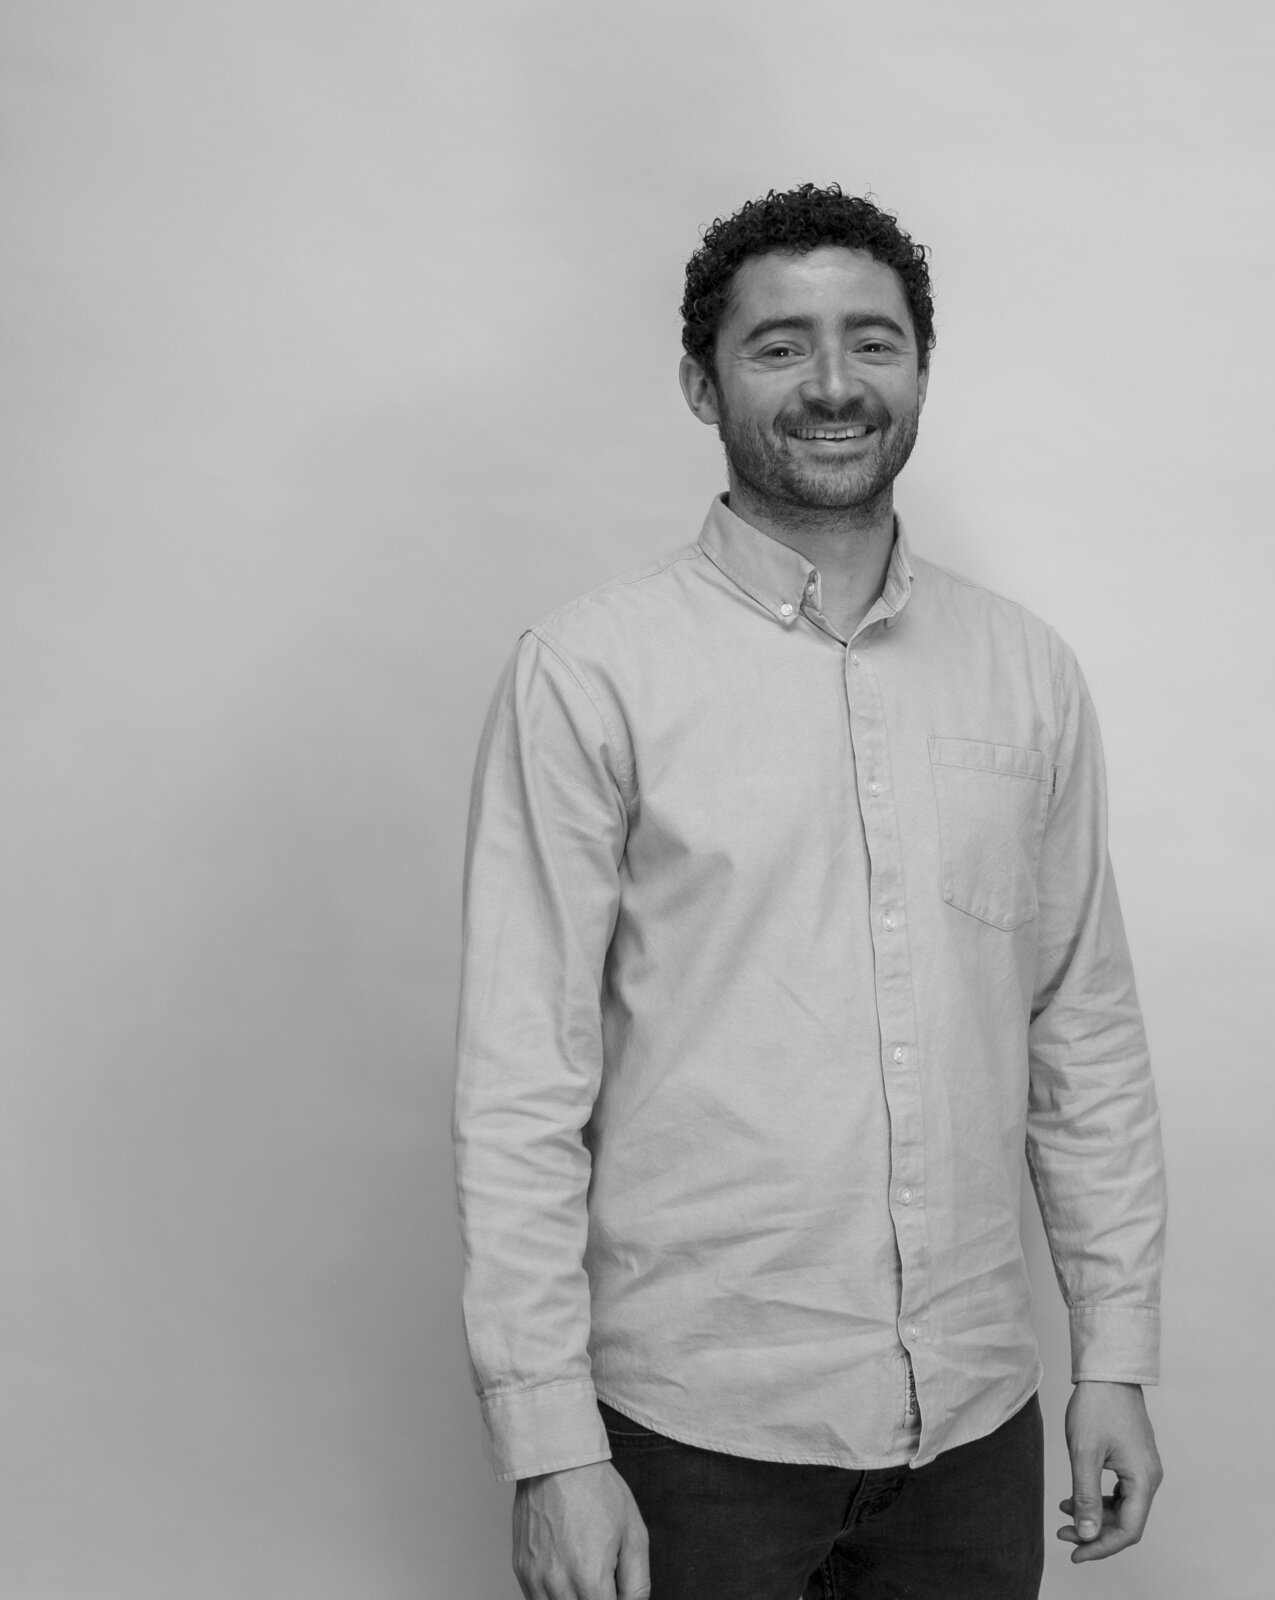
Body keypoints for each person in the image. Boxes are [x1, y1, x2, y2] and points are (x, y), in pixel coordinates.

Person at [454, 183, 1167, 1600]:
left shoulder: (1025, 673)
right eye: (780, 346)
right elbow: (522, 1081)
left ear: (921, 370)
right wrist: (550, 1451)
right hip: (687, 1438)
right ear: (700, 384)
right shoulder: (589, 675)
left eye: (872, 342)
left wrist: (1116, 1357)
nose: (834, 385)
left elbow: (1081, 1034)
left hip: (974, 1428)